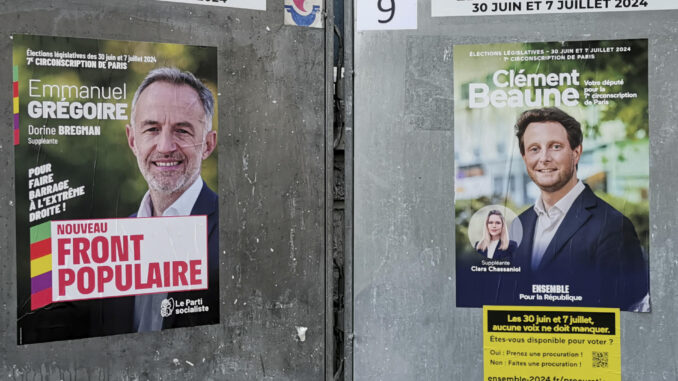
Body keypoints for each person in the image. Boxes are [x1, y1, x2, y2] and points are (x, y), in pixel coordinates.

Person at [94, 68, 219, 334]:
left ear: (208, 144)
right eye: (152, 129)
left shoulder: (234, 231)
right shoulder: (108, 246)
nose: (165, 147)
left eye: (182, 131)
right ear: (132, 140)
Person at [512, 107, 648, 310]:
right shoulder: (518, 225)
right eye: (534, 149)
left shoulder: (613, 226)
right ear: (524, 158)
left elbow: (625, 315)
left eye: (555, 146)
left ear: (576, 153)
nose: (544, 158)